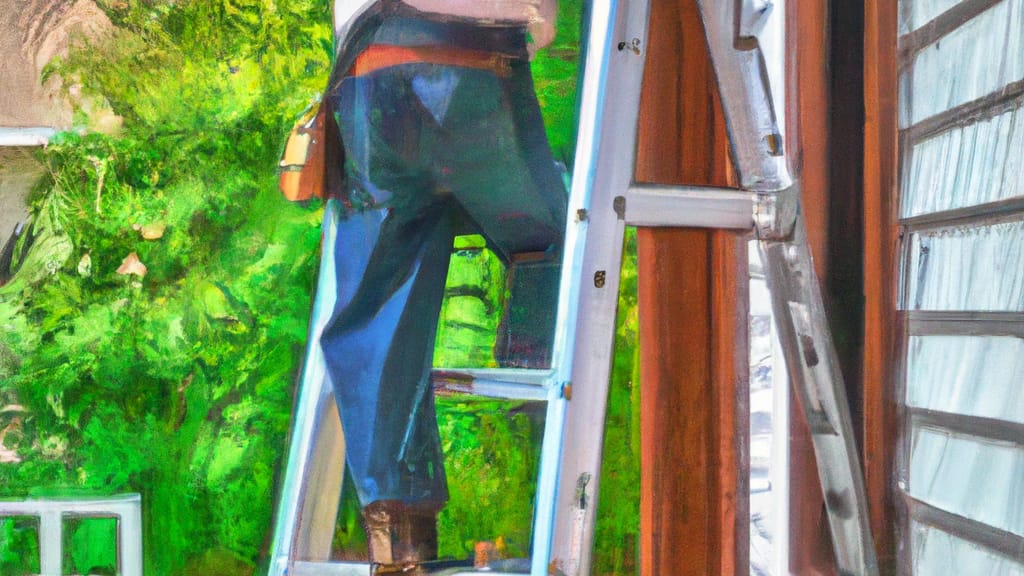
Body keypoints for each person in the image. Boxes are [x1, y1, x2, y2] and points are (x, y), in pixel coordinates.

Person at [319, 0, 566, 567]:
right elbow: (541, 23)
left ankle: (399, 542)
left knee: (377, 300)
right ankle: (532, 379)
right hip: (473, 63)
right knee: (553, 242)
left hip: (367, 72)